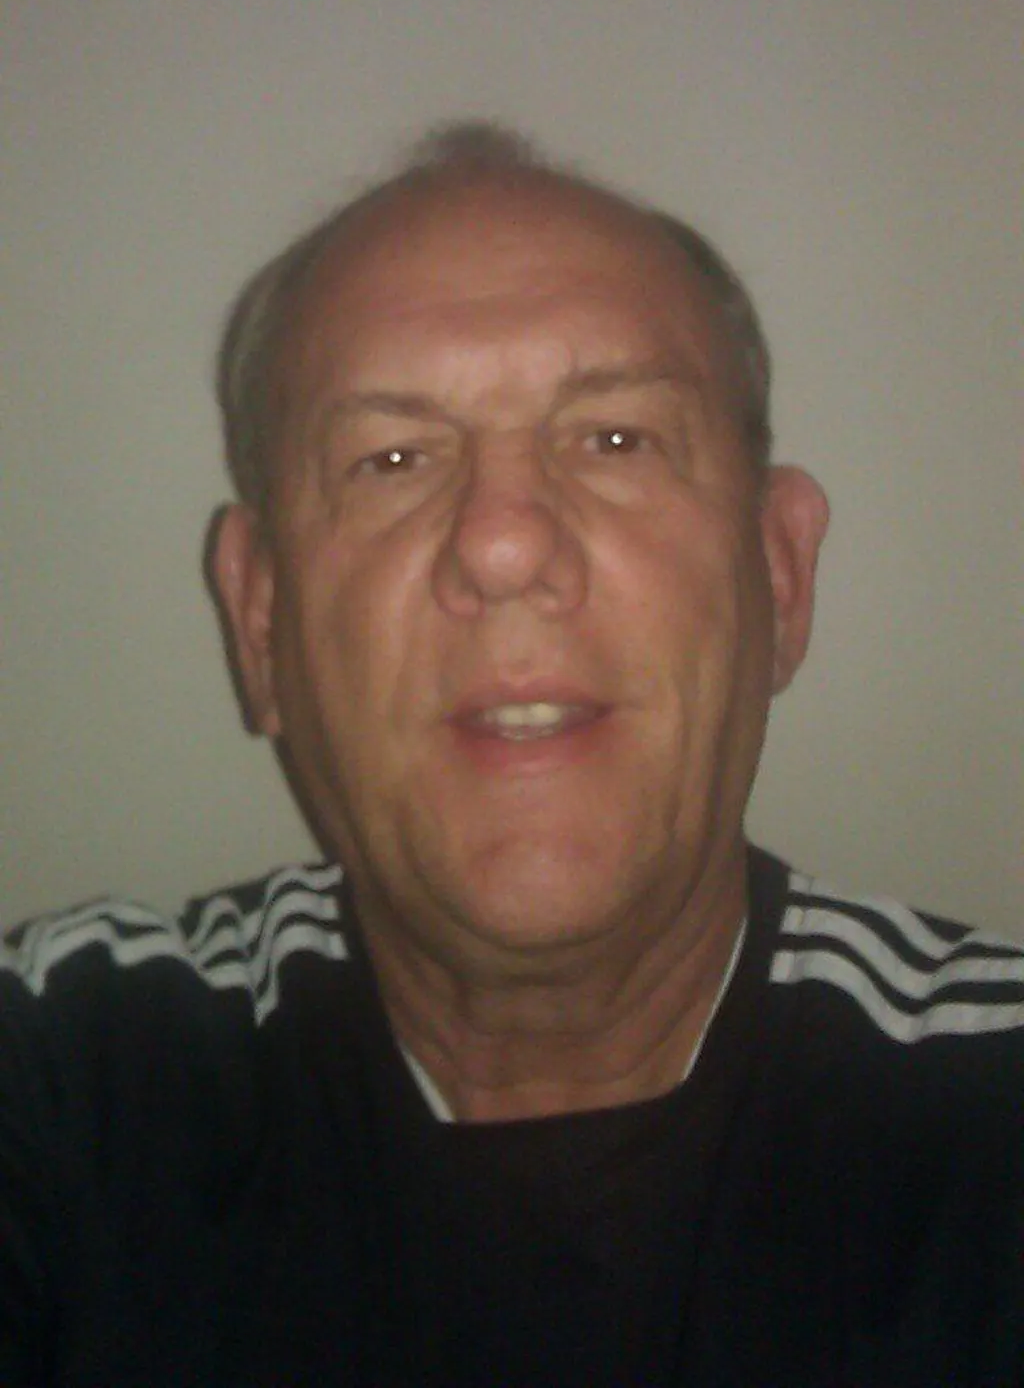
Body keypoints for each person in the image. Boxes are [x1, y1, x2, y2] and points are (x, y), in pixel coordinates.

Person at [2, 123, 1021, 1386]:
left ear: (779, 574)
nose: (501, 545)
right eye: (390, 459)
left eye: (615, 439)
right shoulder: (69, 1082)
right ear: (260, 623)